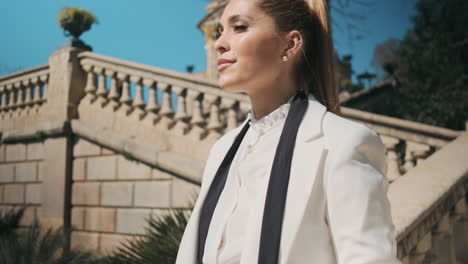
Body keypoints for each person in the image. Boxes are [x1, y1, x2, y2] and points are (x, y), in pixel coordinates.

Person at [176, 0, 400, 263]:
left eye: (238, 27)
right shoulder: (222, 151)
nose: (220, 44)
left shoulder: (343, 143)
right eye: (219, 32)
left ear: (291, 44)